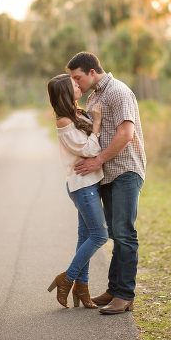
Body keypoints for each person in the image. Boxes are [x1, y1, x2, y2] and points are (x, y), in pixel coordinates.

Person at [67, 52, 147, 315]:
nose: (76, 83)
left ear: (92, 72)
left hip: (125, 170)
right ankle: (114, 289)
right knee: (114, 232)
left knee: (124, 232)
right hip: (107, 175)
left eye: (78, 77)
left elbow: (126, 133)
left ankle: (124, 295)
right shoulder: (95, 96)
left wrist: (97, 159)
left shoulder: (118, 91)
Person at [46, 74, 109, 309]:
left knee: (86, 236)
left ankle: (82, 288)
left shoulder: (76, 113)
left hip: (90, 183)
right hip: (82, 186)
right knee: (100, 235)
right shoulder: (63, 120)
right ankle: (68, 278)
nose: (78, 84)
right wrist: (98, 123)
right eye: (73, 83)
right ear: (64, 91)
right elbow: (90, 149)